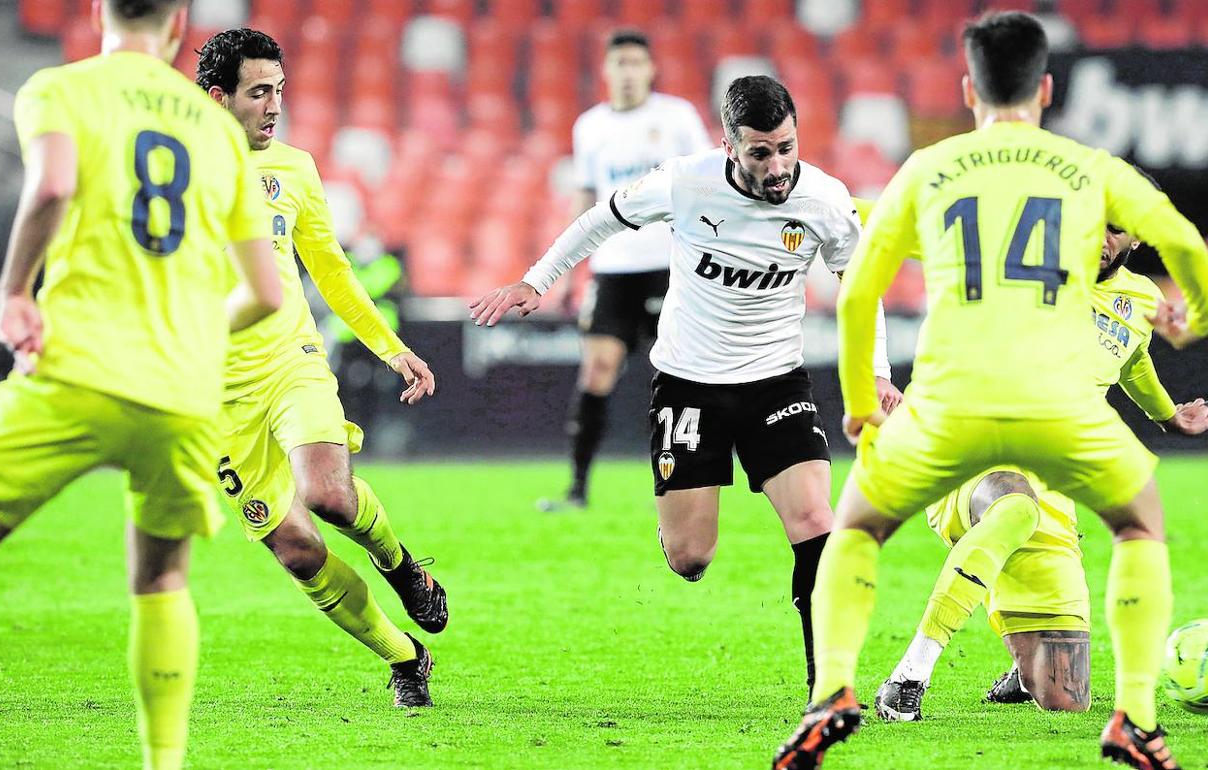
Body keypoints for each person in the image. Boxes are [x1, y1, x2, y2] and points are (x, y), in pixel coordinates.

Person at [773, 12, 1208, 770]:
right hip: (1055, 417)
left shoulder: (933, 169)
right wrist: (1195, 318)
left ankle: (832, 694)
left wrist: (857, 400)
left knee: (857, 527)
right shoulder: (1090, 173)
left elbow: (855, 295)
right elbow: (1191, 247)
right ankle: (1135, 716)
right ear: (1045, 89)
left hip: (950, 406)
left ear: (970, 88)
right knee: (1139, 523)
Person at [471, 75, 901, 695]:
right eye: (760, 152)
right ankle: (675, 514)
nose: (778, 166)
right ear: (730, 147)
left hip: (777, 382)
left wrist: (878, 371)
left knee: (813, 519)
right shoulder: (685, 181)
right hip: (689, 386)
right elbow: (601, 219)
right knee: (690, 556)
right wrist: (537, 281)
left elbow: (862, 292)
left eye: (786, 148)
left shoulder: (826, 200)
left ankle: (827, 686)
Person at [0, 2, 282, 768]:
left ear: (102, 11)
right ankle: (163, 761)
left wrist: (14, 293)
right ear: (178, 22)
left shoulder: (63, 88)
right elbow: (266, 293)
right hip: (182, 392)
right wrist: (198, 335)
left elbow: (51, 187)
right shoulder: (216, 132)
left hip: (78, 371)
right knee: (164, 576)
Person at [871, 214, 1208, 722]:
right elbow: (913, 231)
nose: (1099, 236)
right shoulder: (1022, 258)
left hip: (1053, 480)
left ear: (1136, 238)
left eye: (1115, 229)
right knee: (1013, 509)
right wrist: (823, 196)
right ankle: (910, 674)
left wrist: (1167, 415)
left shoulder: (1140, 301)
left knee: (1066, 697)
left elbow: (1132, 359)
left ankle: (1023, 665)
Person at [196, 28, 445, 707]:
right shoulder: (174, 172)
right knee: (299, 552)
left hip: (290, 361)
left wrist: (389, 346)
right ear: (220, 99)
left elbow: (331, 271)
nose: (274, 105)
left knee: (329, 496)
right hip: (217, 400)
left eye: (279, 89)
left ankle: (402, 567)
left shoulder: (294, 168)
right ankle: (405, 656)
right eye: (259, 92)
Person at [539, 28, 711, 512]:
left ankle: (697, 478)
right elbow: (585, 196)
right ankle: (576, 488)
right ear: (607, 70)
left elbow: (706, 180)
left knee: (686, 375)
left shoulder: (676, 118)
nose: (629, 72)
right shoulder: (589, 127)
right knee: (596, 370)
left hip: (670, 266)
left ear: (651, 69)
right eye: (620, 63)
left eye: (637, 63)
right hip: (613, 269)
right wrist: (572, 270)